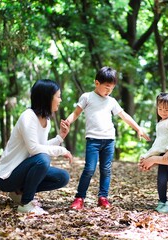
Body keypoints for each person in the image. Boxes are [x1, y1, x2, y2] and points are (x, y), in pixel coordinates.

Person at [64, 66, 150, 210]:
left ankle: (103, 197)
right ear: (97, 83)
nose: (109, 91)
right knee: (89, 169)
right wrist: (67, 122)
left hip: (109, 140)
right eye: (107, 87)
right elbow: (76, 113)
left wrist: (138, 128)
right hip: (93, 140)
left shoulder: (111, 101)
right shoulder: (87, 97)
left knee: (106, 169)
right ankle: (79, 198)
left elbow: (124, 116)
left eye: (112, 88)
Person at [0, 79, 73, 215]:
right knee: (43, 160)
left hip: (22, 171)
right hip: (6, 177)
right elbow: (34, 149)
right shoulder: (28, 117)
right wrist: (61, 150)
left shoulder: (46, 121)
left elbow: (41, 146)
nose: (60, 100)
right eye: (58, 96)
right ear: (47, 97)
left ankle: (19, 193)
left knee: (62, 177)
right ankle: (26, 203)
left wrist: (60, 137)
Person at [139, 93, 168, 213]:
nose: (163, 112)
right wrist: (149, 156)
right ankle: (162, 201)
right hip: (162, 156)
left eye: (166, 109)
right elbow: (159, 143)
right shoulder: (160, 123)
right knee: (161, 179)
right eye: (160, 109)